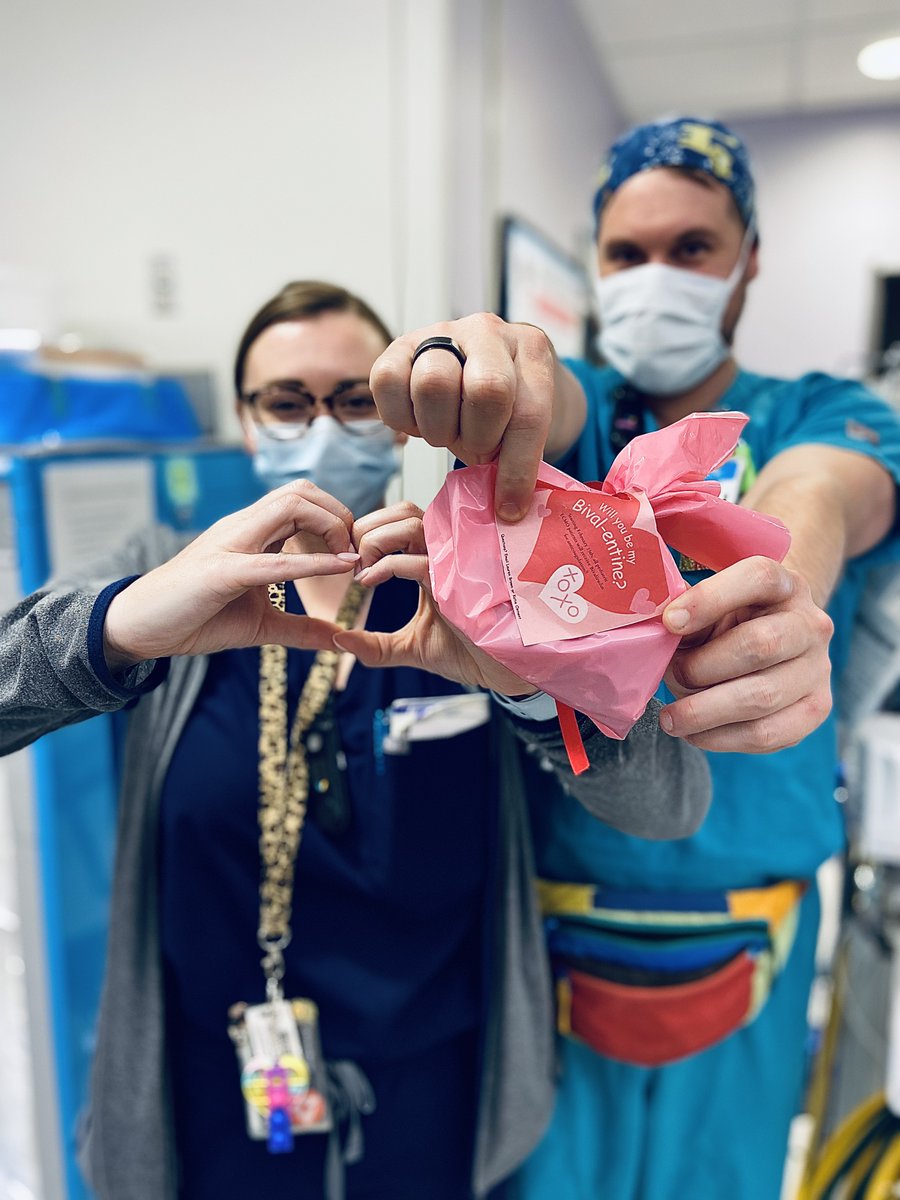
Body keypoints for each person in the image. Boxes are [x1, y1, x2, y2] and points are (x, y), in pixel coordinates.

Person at [0, 280, 713, 1200]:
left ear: (400, 421)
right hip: (218, 1094)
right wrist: (124, 625)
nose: (322, 425)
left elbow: (669, 805)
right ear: (250, 425)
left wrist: (534, 687)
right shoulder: (176, 571)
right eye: (287, 403)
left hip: (435, 1091)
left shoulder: (469, 587)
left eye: (352, 400)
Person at [369, 119, 900, 1199]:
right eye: (627, 253)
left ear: (748, 265)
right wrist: (504, 376)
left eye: (693, 249)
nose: (657, 276)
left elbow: (817, 496)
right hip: (550, 923)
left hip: (753, 922)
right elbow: (543, 410)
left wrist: (773, 586)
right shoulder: (579, 432)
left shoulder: (823, 414)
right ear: (595, 265)